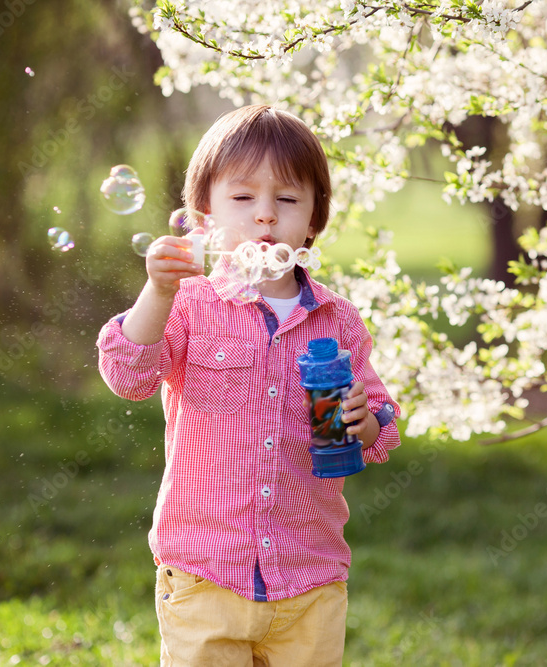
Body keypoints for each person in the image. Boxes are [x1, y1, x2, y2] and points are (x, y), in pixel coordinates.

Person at [97, 104, 401, 666]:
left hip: (309, 575)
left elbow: (379, 415)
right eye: (243, 199)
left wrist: (367, 421)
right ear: (203, 216)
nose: (265, 217)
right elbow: (128, 376)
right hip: (205, 573)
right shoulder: (187, 307)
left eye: (286, 200)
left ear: (314, 219)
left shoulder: (338, 319)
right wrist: (157, 294)